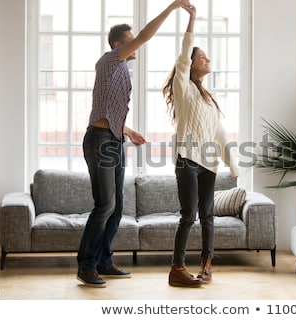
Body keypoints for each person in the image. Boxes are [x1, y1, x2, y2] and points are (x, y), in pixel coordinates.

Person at [77, 0, 191, 288]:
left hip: (113, 140)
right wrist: (172, 7)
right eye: (130, 41)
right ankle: (86, 265)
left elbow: (105, 109)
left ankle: (103, 260)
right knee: (105, 205)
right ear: (118, 44)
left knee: (116, 208)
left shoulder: (122, 71)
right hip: (99, 141)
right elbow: (144, 36)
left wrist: (127, 131)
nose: (137, 44)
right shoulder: (108, 60)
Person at [162, 4, 240, 288]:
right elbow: (183, 56)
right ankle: (177, 268)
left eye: (207, 57)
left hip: (209, 164)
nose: (207, 59)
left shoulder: (207, 97)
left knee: (208, 216)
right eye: (202, 57)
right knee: (189, 215)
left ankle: (207, 265)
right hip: (188, 160)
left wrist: (233, 163)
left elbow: (220, 133)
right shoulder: (183, 89)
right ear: (191, 64)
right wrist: (192, 18)